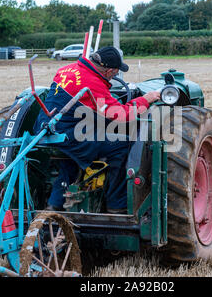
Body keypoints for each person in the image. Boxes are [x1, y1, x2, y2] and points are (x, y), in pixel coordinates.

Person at [33, 47, 160, 213]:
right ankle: (117, 204)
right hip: (69, 136)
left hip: (45, 129)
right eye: (115, 73)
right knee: (123, 145)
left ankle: (54, 205)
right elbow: (121, 115)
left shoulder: (66, 69)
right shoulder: (93, 83)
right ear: (109, 71)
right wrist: (146, 99)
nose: (115, 76)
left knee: (69, 158)